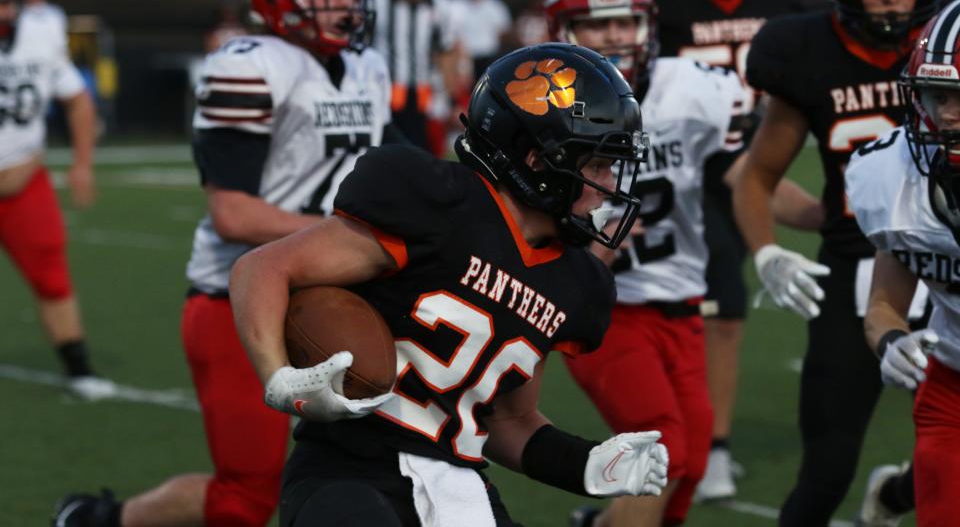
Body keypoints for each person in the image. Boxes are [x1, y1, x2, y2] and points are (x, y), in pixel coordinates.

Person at [229, 42, 670, 526]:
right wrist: (280, 379)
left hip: (459, 485)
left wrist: (586, 464)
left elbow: (509, 421)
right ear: (539, 161)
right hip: (349, 470)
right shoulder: (436, 203)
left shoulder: (575, 282)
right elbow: (264, 269)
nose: (611, 185)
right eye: (597, 166)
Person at [53, 0, 392, 527]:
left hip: (338, 290)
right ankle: (101, 521)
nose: (344, 3)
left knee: (389, 468)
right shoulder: (248, 65)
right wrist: (347, 240)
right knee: (246, 495)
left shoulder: (369, 67)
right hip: (241, 298)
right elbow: (233, 212)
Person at [545, 0, 821, 527]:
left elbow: (747, 176)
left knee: (691, 464)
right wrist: (590, 237)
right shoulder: (543, 108)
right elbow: (516, 226)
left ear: (649, 24)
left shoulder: (693, 88)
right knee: (662, 452)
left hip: (683, 304)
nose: (614, 35)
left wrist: (826, 216)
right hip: (606, 309)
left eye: (625, 21)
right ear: (563, 31)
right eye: (597, 23)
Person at [733, 0, 946, 525]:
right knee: (825, 472)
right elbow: (757, 174)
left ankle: (898, 494)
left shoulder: (949, 44)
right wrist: (767, 250)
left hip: (951, 262)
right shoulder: (804, 50)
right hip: (860, 264)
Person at [646, 0, 806, 499]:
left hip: (755, 163)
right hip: (687, 173)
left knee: (723, 306)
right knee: (722, 306)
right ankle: (707, 444)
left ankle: (705, 440)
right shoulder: (668, 0)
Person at [845, 0, 960, 527]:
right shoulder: (893, 179)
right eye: (940, 97)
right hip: (953, 387)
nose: (949, 116)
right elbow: (884, 305)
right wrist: (891, 343)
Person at [0, 0, 112, 401]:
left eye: (6, 4)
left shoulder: (41, 35)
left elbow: (78, 100)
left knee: (51, 277)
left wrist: (82, 163)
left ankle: (78, 366)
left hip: (24, 180)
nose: (2, 14)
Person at [373, 0, 463, 156]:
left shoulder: (440, 4)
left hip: (424, 93)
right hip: (384, 91)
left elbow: (447, 52)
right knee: (385, 155)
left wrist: (453, 99)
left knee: (423, 155)